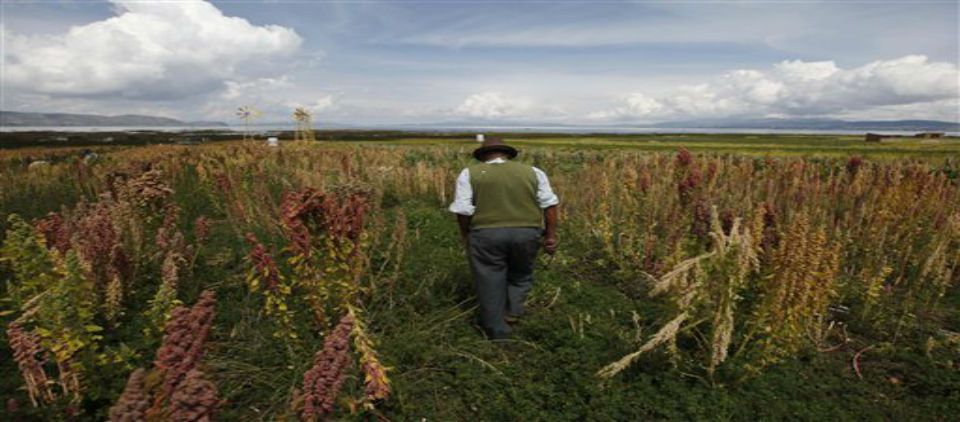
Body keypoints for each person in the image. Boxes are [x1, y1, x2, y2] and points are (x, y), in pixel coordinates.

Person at [448, 136, 559, 340]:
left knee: (489, 279)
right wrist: (550, 236)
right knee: (521, 274)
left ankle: (497, 333)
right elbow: (549, 205)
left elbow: (463, 210)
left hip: (486, 234)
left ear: (483, 156)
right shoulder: (533, 172)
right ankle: (513, 312)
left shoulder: (469, 173)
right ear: (508, 154)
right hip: (527, 232)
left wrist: (466, 234)